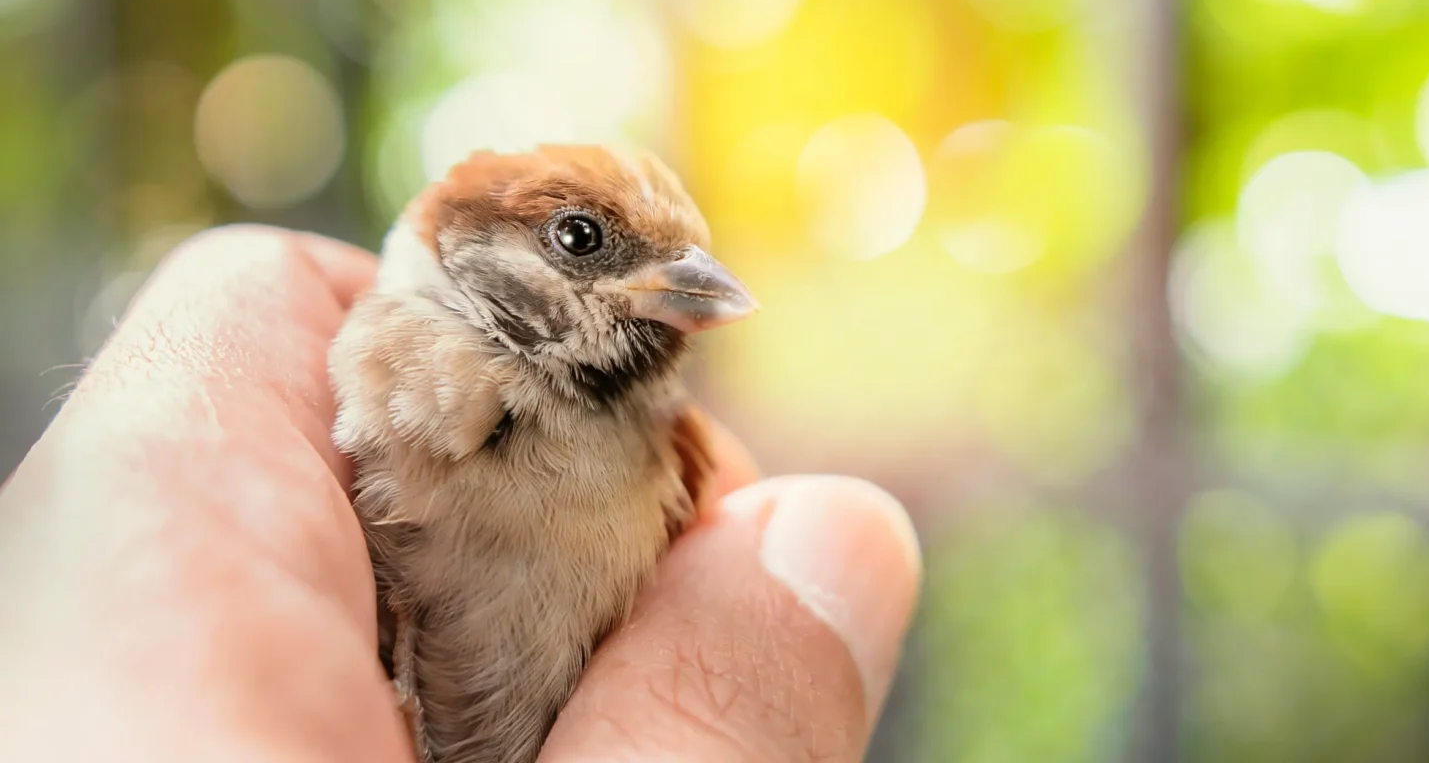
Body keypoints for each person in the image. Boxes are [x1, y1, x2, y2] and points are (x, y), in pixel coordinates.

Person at [0, 226, 921, 761]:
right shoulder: (376, 364)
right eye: (580, 240)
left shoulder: (667, 449)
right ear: (470, 242)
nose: (679, 283)